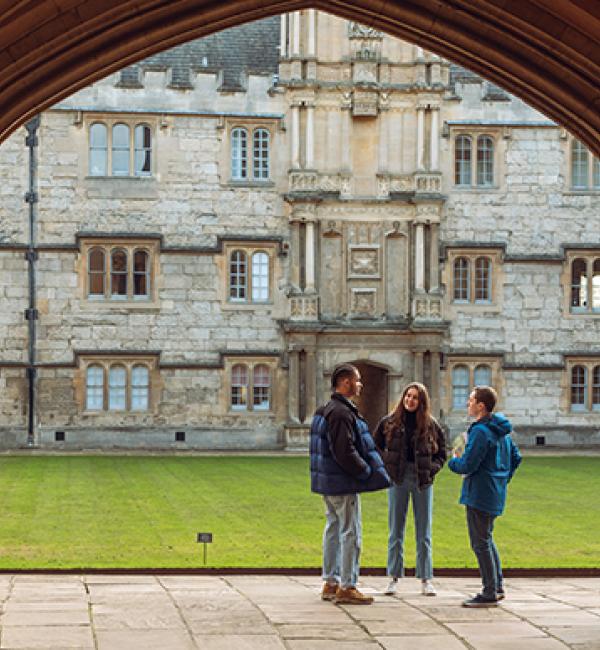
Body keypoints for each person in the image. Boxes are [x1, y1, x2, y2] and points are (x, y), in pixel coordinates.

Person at [310, 363, 391, 605]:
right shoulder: (341, 413)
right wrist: (365, 471)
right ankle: (347, 585)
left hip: (329, 481)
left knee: (333, 529)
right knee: (350, 532)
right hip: (342, 482)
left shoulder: (325, 409)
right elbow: (344, 451)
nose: (360, 384)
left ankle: (331, 581)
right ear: (345, 383)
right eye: (357, 380)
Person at [448, 385, 522, 607]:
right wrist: (501, 478)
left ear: (481, 405)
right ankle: (497, 586)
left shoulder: (480, 431)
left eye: (471, 400)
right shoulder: (501, 431)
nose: (467, 404)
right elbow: (516, 458)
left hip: (480, 492)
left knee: (480, 542)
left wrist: (453, 461)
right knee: (487, 539)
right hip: (495, 490)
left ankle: (489, 591)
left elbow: (468, 464)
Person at [374, 382, 447, 597]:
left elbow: (443, 452)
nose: (410, 400)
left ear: (421, 402)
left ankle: (426, 579)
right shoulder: (389, 422)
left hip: (422, 478)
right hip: (398, 477)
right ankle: (393, 577)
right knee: (396, 529)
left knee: (423, 531)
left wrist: (432, 468)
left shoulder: (431, 425)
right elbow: (374, 445)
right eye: (407, 396)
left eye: (415, 397)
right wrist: (387, 462)